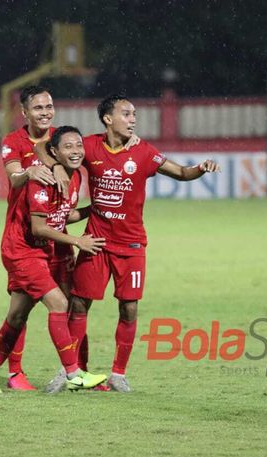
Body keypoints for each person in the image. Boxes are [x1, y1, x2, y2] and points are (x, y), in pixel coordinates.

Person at [37, 94, 221, 392]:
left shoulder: (145, 152)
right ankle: (71, 371)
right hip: (95, 241)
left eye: (134, 114)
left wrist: (201, 168)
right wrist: (57, 167)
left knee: (129, 308)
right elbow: (43, 147)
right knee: (79, 304)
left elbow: (182, 173)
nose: (133, 118)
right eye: (126, 113)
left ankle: (118, 374)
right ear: (108, 119)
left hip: (132, 246)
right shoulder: (90, 145)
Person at [0, 126, 108, 393]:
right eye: (68, 147)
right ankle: (74, 374)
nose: (76, 151)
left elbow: (62, 215)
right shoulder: (41, 179)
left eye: (78, 146)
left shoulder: (76, 178)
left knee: (17, 315)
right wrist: (77, 241)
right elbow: (39, 228)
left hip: (40, 250)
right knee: (58, 302)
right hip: (22, 249)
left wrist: (93, 209)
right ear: (54, 152)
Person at [0, 85, 58, 390]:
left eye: (48, 106)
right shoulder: (13, 141)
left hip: (56, 234)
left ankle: (75, 370)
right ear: (25, 113)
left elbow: (89, 152)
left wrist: (126, 141)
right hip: (23, 236)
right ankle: (15, 372)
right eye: (38, 108)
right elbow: (14, 176)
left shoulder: (60, 138)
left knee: (71, 303)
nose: (45, 113)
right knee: (23, 309)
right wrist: (29, 173)